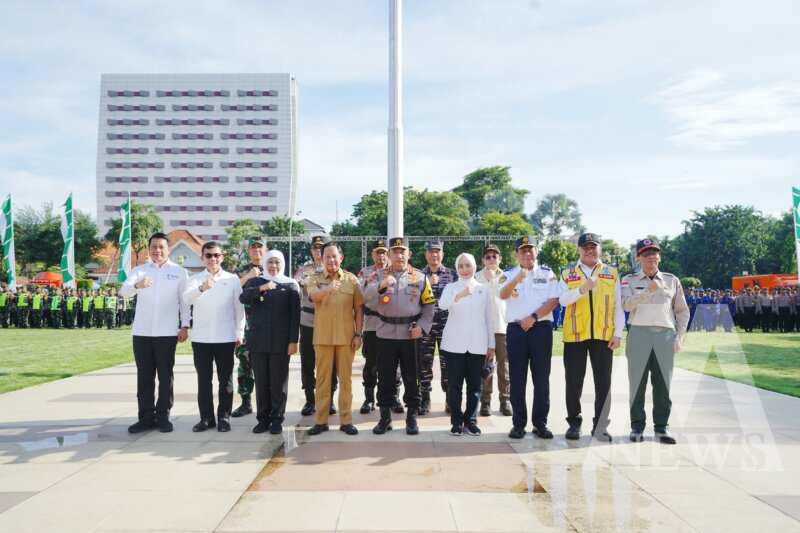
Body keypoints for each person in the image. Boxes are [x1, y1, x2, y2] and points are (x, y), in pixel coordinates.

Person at [363, 237, 435, 436]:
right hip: (384, 333)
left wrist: (422, 327)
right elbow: (365, 297)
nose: (399, 255)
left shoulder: (419, 278)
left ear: (409, 254)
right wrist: (381, 285)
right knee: (385, 377)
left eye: (402, 251)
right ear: (389, 254)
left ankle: (411, 418)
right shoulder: (378, 275)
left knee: (412, 377)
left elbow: (429, 306)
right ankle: (385, 418)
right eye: (394, 251)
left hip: (410, 334)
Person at [120, 232, 190, 434]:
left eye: (161, 247)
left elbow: (184, 302)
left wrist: (185, 326)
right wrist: (137, 285)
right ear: (149, 249)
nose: (157, 251)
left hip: (167, 333)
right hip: (142, 332)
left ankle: (163, 416)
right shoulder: (139, 270)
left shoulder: (179, 272)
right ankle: (145, 417)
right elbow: (124, 291)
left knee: (165, 376)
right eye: (153, 247)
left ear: (168, 249)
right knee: (144, 377)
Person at [621, 238, 689, 445]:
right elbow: (625, 305)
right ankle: (637, 427)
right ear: (638, 258)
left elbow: (682, 311)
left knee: (663, 384)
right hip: (638, 334)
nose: (651, 256)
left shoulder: (671, 280)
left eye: (654, 252)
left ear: (659, 256)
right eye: (646, 253)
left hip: (664, 336)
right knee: (637, 383)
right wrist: (648, 291)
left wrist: (680, 337)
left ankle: (662, 427)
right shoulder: (629, 280)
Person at [556, 233, 623, 442]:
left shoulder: (611, 273)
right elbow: (562, 300)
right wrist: (582, 289)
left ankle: (600, 426)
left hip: (603, 335)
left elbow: (618, 306)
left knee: (603, 383)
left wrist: (618, 333)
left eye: (593, 246)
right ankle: (574, 423)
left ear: (599, 249)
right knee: (573, 382)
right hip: (575, 335)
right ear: (579, 249)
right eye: (585, 247)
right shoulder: (568, 273)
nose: (589, 250)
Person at [499, 236, 559, 440]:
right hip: (516, 331)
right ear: (517, 254)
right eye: (522, 250)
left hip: (541, 328)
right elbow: (502, 294)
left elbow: (554, 300)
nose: (526, 253)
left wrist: (533, 318)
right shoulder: (508, 274)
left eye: (530, 249)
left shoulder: (547, 273)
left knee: (541, 379)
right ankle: (518, 424)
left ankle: (540, 423)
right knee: (517, 379)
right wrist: (517, 279)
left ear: (536, 251)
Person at [183, 242, 245, 433]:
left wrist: (239, 332)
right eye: (209, 255)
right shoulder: (195, 279)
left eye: (216, 255)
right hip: (201, 338)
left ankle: (224, 417)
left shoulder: (232, 279)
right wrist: (202, 288)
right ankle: (206, 418)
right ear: (202, 258)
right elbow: (186, 299)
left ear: (222, 257)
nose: (213, 259)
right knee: (204, 381)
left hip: (225, 337)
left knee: (225, 381)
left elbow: (239, 308)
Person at [240, 249, 301, 434]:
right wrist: (262, 288)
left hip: (280, 343)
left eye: (277, 262)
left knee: (278, 383)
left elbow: (295, 316)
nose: (274, 266)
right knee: (261, 382)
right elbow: (243, 297)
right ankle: (263, 419)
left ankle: (276, 419)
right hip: (258, 341)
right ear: (265, 264)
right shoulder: (256, 282)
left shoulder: (290, 285)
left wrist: (293, 341)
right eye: (270, 262)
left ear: (282, 264)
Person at [307, 242, 364, 436]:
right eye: (327, 257)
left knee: (346, 380)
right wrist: (329, 289)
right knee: (323, 381)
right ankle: (321, 421)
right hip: (323, 338)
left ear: (341, 258)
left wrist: (358, 334)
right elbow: (313, 297)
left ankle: (346, 421)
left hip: (346, 338)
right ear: (321, 259)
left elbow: (359, 309)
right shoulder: (314, 278)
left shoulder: (351, 280)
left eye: (334, 256)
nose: (331, 260)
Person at [439, 252, 496, 436]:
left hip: (477, 344)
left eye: (468, 265)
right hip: (454, 345)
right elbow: (442, 305)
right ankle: (456, 421)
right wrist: (459, 295)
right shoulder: (451, 287)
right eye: (461, 266)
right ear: (457, 268)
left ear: (474, 266)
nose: (464, 269)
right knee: (454, 386)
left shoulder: (483, 289)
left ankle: (470, 421)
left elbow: (489, 318)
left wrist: (491, 344)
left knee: (475, 387)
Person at [357, 239, 404, 414]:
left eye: (384, 252)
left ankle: (394, 398)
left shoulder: (396, 271)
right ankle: (369, 399)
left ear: (388, 254)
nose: (381, 256)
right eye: (378, 253)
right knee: (371, 364)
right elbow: (360, 296)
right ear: (372, 255)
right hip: (372, 325)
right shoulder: (365, 272)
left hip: (391, 325)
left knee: (394, 365)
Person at [295, 235, 337, 417]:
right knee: (308, 362)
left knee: (330, 363)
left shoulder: (334, 269)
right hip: (308, 322)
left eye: (321, 248)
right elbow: (296, 287)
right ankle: (310, 400)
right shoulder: (304, 270)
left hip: (328, 322)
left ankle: (329, 399)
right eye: (315, 248)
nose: (318, 251)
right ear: (311, 251)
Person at [475, 243, 512, 417]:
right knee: (486, 366)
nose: (491, 259)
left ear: (500, 259)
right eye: (488, 256)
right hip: (483, 328)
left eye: (494, 256)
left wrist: (493, 281)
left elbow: (510, 298)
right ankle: (485, 401)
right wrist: (489, 281)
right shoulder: (476, 277)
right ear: (483, 260)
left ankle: (505, 400)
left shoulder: (507, 277)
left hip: (502, 327)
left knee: (504, 367)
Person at [231, 237, 266, 418]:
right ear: (248, 251)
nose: (256, 250)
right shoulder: (241, 271)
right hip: (246, 325)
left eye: (260, 247)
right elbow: (231, 290)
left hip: (267, 326)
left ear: (265, 250)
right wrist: (249, 276)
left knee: (266, 365)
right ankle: (246, 403)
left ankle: (267, 403)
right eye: (253, 247)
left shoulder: (273, 267)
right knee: (245, 364)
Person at [419, 240, 455, 415]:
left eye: (437, 251)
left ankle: (450, 399)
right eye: (431, 251)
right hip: (425, 327)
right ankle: (425, 399)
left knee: (447, 364)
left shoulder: (452, 275)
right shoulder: (418, 275)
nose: (434, 254)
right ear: (426, 254)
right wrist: (427, 282)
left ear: (442, 254)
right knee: (423, 364)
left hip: (447, 328)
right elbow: (413, 300)